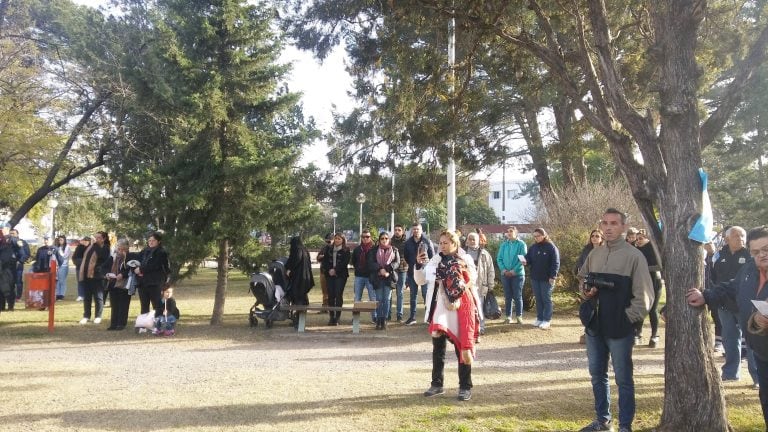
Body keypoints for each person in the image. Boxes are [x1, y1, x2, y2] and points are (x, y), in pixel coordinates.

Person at [578, 208, 653, 432]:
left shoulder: (634, 256)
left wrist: (627, 319)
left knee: (624, 380)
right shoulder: (595, 254)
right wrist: (586, 292)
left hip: (620, 329)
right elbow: (582, 280)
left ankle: (625, 426)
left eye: (613, 223)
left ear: (623, 227)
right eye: (605, 223)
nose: (608, 227)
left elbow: (645, 297)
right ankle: (603, 422)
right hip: (595, 326)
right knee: (597, 375)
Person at [687, 226, 768, 428]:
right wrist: (705, 295)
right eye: (756, 252)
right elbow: (731, 286)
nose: (762, 255)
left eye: (766, 249)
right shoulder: (750, 269)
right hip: (762, 351)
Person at [416, 230, 480, 402]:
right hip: (440, 307)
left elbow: (473, 278)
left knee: (462, 346)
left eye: (445, 242)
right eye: (441, 242)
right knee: (438, 347)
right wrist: (419, 265)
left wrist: (455, 280)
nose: (442, 245)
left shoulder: (465, 258)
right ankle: (437, 384)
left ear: (454, 243)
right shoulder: (436, 260)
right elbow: (421, 280)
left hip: (461, 306)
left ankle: (465, 386)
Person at [710, 226, 754, 382]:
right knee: (729, 338)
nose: (740, 238)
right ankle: (730, 373)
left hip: (745, 305)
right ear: (727, 239)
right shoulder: (719, 255)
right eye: (736, 236)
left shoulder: (750, 255)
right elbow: (713, 277)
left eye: (743, 235)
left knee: (751, 340)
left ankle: (757, 378)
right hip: (724, 304)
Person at [523, 228, 560, 330]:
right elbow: (529, 259)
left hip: (547, 278)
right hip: (535, 277)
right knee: (538, 299)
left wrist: (553, 276)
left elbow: (555, 263)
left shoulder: (551, 247)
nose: (536, 238)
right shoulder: (533, 247)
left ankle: (547, 320)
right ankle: (539, 318)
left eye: (538, 236)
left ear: (544, 235)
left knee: (546, 299)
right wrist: (525, 262)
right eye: (534, 236)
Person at [632, 229, 663, 347]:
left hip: (654, 281)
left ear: (647, 238)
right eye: (637, 238)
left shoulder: (653, 249)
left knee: (653, 309)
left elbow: (659, 266)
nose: (638, 241)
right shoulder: (636, 250)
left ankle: (654, 335)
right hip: (640, 283)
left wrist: (643, 269)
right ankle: (638, 333)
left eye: (641, 238)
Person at [575, 229, 604, 344]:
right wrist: (581, 279)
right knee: (587, 308)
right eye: (593, 236)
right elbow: (580, 264)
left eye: (597, 236)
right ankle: (588, 331)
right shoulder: (586, 249)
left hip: (600, 282)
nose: (594, 238)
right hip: (586, 281)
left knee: (600, 308)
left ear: (602, 238)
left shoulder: (605, 251)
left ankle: (599, 332)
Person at [404, 223, 435, 325]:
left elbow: (433, 257)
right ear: (412, 231)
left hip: (425, 272)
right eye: (414, 229)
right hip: (413, 272)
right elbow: (406, 258)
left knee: (426, 294)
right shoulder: (408, 243)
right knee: (413, 295)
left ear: (422, 230)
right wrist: (415, 261)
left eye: (418, 229)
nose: (416, 231)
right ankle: (412, 317)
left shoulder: (427, 242)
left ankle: (429, 317)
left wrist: (425, 262)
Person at [368, 231, 400, 330]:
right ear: (379, 240)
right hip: (377, 278)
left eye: (386, 238)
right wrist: (380, 269)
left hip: (389, 277)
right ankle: (378, 320)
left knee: (387, 299)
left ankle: (385, 320)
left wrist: (387, 270)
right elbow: (370, 262)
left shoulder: (394, 250)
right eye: (382, 238)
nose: (384, 240)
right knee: (379, 299)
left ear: (389, 239)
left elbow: (397, 262)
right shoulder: (373, 250)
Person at [78, 231, 111, 324]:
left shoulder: (105, 248)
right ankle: (86, 316)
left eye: (99, 238)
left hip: (98, 276)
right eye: (96, 237)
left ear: (104, 239)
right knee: (87, 297)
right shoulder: (91, 246)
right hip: (86, 275)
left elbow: (101, 255)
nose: (96, 239)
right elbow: (81, 256)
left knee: (98, 297)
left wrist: (95, 245)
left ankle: (98, 316)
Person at [106, 239, 139, 331]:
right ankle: (113, 323)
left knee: (123, 304)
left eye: (122, 249)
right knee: (114, 304)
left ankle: (121, 323)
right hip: (113, 283)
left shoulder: (130, 256)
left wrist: (123, 274)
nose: (120, 251)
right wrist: (107, 274)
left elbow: (131, 269)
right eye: (118, 248)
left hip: (124, 284)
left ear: (126, 248)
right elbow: (104, 267)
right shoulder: (113, 256)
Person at [134, 231, 171, 314]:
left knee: (157, 305)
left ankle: (158, 324)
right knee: (144, 305)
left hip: (155, 282)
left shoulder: (161, 252)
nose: (151, 242)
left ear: (158, 242)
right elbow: (137, 259)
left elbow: (155, 265)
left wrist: (141, 269)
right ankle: (144, 324)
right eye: (149, 240)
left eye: (153, 240)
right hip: (143, 282)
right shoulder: (145, 251)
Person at [496, 226, 527, 324]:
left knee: (517, 296)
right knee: (508, 296)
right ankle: (508, 317)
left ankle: (519, 316)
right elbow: (499, 259)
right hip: (505, 274)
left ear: (516, 232)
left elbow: (523, 260)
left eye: (511, 231)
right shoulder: (504, 245)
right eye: (508, 231)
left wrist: (514, 270)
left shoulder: (521, 244)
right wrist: (504, 270)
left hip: (518, 275)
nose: (509, 233)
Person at [466, 232, 494, 335]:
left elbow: (490, 270)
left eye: (474, 239)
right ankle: (469, 327)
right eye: (470, 239)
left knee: (480, 307)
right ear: (467, 240)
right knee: (468, 307)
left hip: (481, 285)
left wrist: (490, 285)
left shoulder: (484, 254)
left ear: (478, 241)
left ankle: (480, 327)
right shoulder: (462, 253)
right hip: (466, 286)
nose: (472, 241)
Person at [322, 232, 351, 325]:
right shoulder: (328, 249)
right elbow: (325, 261)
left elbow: (345, 263)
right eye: (336, 238)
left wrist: (335, 270)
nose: (337, 240)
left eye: (339, 238)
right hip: (329, 274)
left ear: (343, 240)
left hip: (341, 275)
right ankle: (331, 316)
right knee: (331, 295)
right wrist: (329, 270)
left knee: (338, 295)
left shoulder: (346, 250)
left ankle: (337, 317)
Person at [352, 229, 376, 322]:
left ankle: (375, 317)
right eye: (363, 237)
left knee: (372, 298)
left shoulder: (374, 249)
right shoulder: (357, 249)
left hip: (370, 276)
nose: (365, 238)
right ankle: (355, 318)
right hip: (359, 276)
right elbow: (354, 261)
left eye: (368, 237)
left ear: (370, 238)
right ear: (361, 238)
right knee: (357, 297)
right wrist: (358, 268)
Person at [0, 222, 22, 313]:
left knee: (9, 287)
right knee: (0, 288)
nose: (1, 230)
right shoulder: (1, 240)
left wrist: (18, 261)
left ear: (8, 229)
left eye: (3, 228)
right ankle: (1, 306)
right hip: (1, 267)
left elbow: (21, 251)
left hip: (9, 267)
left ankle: (10, 306)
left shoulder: (13, 240)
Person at [285, 236, 314, 306]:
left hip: (299, 276)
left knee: (297, 293)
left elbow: (295, 260)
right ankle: (301, 312)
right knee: (302, 294)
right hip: (305, 276)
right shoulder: (304, 250)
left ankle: (299, 311)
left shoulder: (297, 250)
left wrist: (289, 269)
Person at [390, 224, 409, 322]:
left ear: (403, 231)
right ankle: (388, 314)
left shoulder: (407, 242)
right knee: (389, 292)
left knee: (400, 292)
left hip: (402, 270)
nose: (397, 231)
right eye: (395, 230)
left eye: (399, 230)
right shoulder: (390, 241)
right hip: (392, 270)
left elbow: (409, 257)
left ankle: (399, 315)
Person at [8, 228, 29, 302]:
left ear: (17, 234)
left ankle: (18, 297)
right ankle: (10, 296)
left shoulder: (22, 242)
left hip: (18, 264)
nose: (11, 235)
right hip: (9, 264)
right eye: (10, 233)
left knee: (18, 281)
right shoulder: (7, 243)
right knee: (9, 281)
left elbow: (26, 254)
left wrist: (20, 261)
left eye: (13, 233)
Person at [316, 233, 333, 306]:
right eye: (326, 241)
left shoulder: (335, 248)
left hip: (332, 272)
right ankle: (325, 306)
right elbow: (318, 258)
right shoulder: (324, 248)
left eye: (329, 241)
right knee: (324, 291)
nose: (328, 243)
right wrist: (322, 256)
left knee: (331, 291)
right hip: (323, 271)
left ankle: (331, 306)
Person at [71, 236, 90, 302]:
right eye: (84, 240)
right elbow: (74, 258)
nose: (85, 242)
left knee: (88, 282)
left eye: (87, 241)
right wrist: (81, 262)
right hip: (79, 267)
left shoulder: (91, 248)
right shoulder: (79, 248)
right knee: (80, 281)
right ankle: (81, 295)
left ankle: (88, 295)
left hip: (88, 268)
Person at [54, 235, 72, 300]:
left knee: (62, 280)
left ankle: (62, 294)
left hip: (64, 265)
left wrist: (58, 252)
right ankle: (58, 294)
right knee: (58, 280)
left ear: (64, 240)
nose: (60, 241)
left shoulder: (67, 247)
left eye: (61, 240)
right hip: (57, 266)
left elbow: (64, 256)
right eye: (59, 240)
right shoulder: (57, 247)